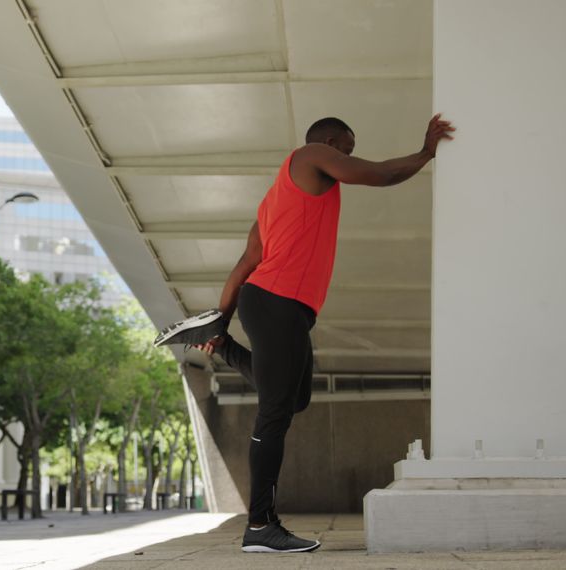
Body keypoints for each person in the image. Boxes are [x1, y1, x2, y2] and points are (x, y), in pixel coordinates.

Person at [158, 114, 455, 553]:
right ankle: (260, 525)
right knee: (275, 411)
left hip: (279, 305)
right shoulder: (311, 155)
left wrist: (220, 319)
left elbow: (246, 262)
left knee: (294, 398)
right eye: (346, 149)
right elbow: (382, 174)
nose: (345, 159)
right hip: (276, 301)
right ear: (331, 142)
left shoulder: (274, 201)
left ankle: (221, 344)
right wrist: (427, 152)